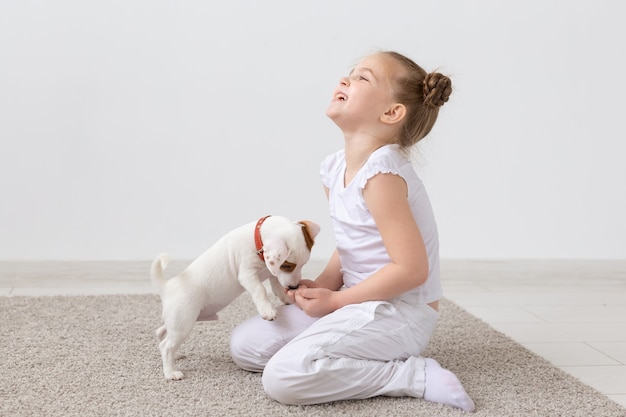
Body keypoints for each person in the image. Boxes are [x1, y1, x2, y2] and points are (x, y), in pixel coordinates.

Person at [229, 50, 475, 412]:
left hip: (400, 313)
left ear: (391, 113)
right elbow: (350, 244)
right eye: (350, 73)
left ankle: (412, 376)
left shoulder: (383, 175)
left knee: (282, 377)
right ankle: (332, 352)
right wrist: (326, 285)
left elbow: (411, 271)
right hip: (356, 300)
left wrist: (338, 302)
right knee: (245, 346)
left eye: (363, 78)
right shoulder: (335, 168)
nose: (346, 79)